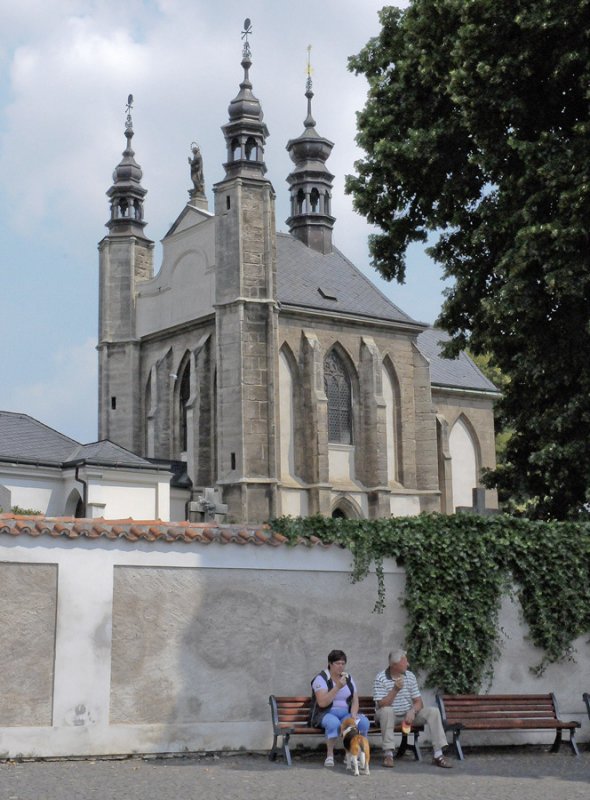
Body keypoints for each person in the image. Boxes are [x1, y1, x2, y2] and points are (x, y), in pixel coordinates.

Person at [373, 648, 452, 769]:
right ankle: (388, 754)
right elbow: (382, 704)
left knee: (433, 711)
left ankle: (438, 754)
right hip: (387, 716)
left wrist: (413, 711)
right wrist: (395, 689)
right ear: (394, 665)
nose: (408, 664)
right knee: (387, 711)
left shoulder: (409, 676)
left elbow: (419, 702)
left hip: (407, 714)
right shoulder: (381, 678)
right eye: (405, 662)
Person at [311, 649, 370, 768]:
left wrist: (354, 713)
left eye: (343, 664)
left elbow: (355, 700)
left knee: (363, 722)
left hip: (345, 713)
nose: (341, 667)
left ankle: (353, 753)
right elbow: (322, 703)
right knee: (334, 723)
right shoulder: (321, 678)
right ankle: (329, 755)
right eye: (337, 663)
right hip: (325, 713)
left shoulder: (348, 678)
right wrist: (337, 687)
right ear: (330, 664)